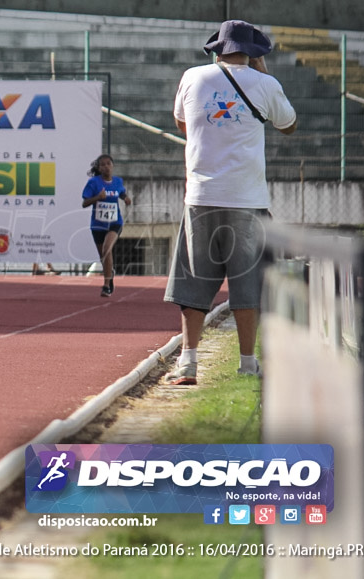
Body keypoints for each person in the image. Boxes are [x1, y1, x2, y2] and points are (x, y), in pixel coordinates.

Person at [164, 20, 297, 385]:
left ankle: (188, 364)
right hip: (247, 199)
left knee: (194, 282)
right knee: (247, 283)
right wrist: (263, 75)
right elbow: (288, 124)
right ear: (253, 52)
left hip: (201, 196)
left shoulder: (192, 77)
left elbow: (182, 123)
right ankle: (248, 363)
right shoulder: (265, 83)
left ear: (216, 49)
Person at [81, 154, 131, 296]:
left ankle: (106, 285)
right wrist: (97, 197)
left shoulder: (117, 181)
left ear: (112, 166)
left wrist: (125, 198)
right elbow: (84, 203)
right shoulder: (93, 183)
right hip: (98, 225)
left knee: (107, 249)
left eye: (108, 163)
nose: (106, 167)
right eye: (102, 164)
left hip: (115, 222)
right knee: (103, 257)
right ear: (99, 168)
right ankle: (110, 273)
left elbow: (121, 193)